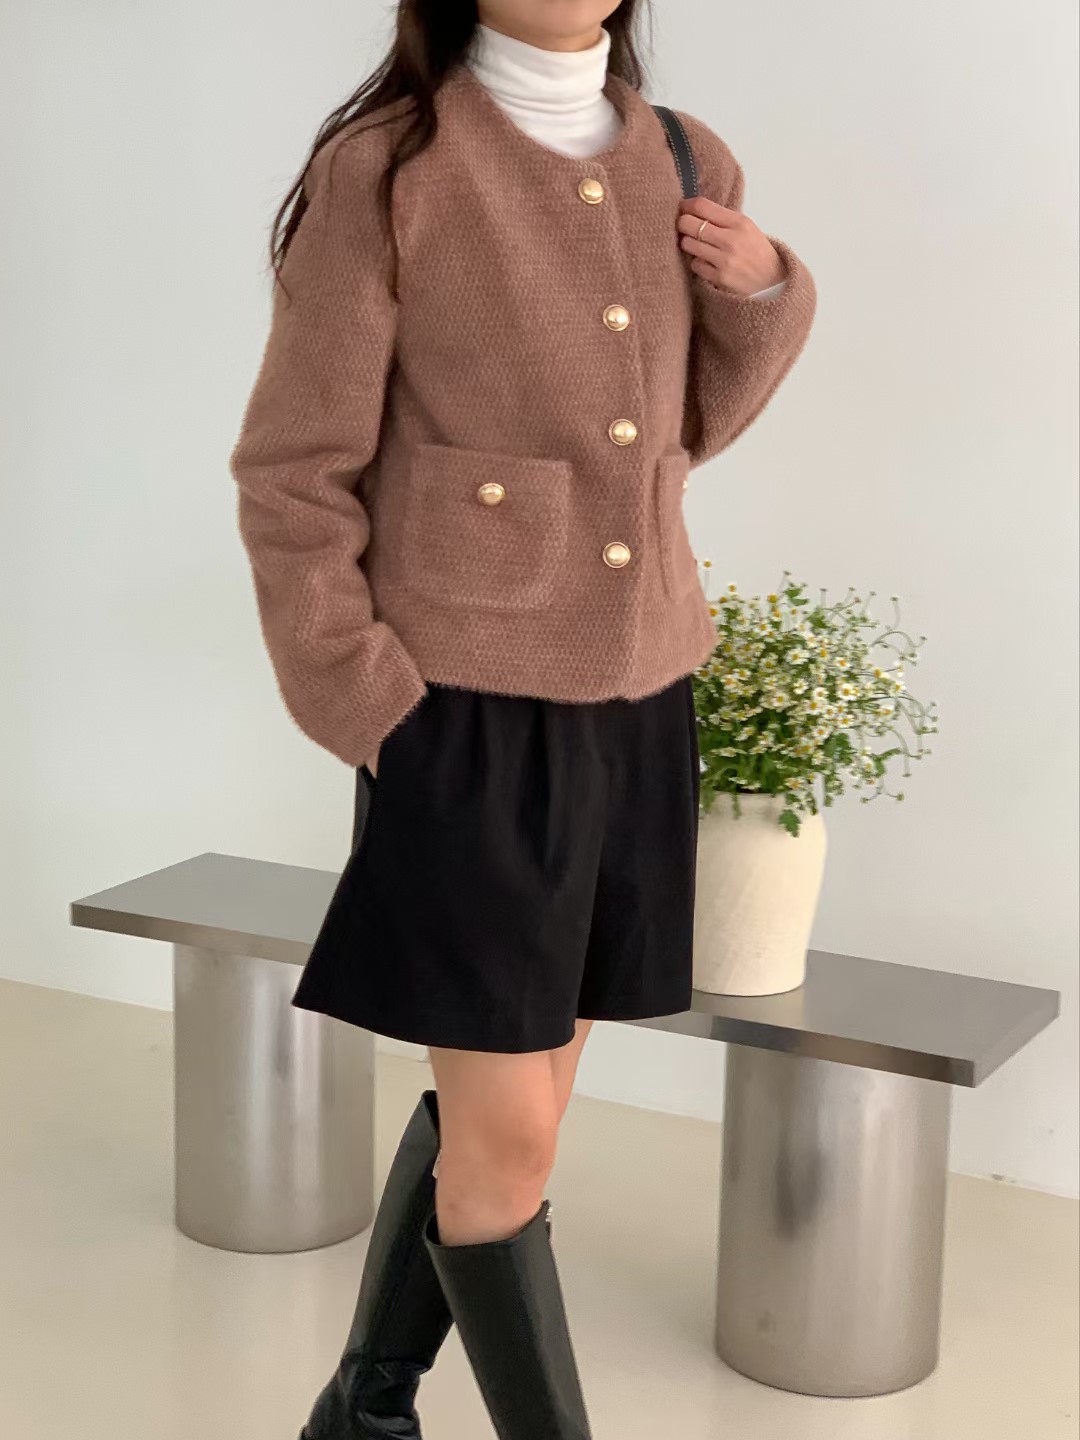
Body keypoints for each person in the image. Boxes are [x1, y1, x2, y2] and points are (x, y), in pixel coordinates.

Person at [229, 2, 815, 1435]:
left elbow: (683, 427)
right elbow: (293, 470)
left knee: (517, 1110)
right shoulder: (390, 165)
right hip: (464, 714)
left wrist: (764, 291)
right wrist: (367, 701)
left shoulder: (687, 155)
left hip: (638, 698)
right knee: (515, 1143)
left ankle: (362, 1414)